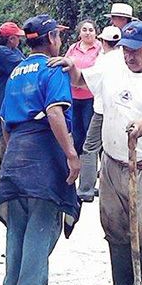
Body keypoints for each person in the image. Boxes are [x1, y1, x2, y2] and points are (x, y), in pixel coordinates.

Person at [50, 20, 142, 285]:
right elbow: (82, 81)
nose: (129, 56)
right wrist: (71, 68)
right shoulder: (110, 66)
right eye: (125, 50)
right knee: (113, 225)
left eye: (135, 51)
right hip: (112, 163)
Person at [0, 14, 80, 285]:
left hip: (16, 153)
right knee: (43, 221)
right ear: (52, 38)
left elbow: (4, 121)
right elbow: (55, 113)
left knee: (18, 222)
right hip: (44, 153)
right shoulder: (53, 70)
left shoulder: (16, 71)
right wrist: (70, 154)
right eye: (59, 36)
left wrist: (10, 153)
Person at [78, 25, 123, 202]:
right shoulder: (125, 58)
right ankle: (112, 188)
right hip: (120, 111)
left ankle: (86, 189)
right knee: (112, 148)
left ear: (103, 42)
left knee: (90, 147)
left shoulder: (104, 60)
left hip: (102, 110)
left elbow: (86, 80)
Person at [64, 20, 101, 203]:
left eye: (91, 30)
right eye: (84, 30)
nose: (87, 33)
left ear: (96, 32)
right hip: (73, 97)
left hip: (90, 97)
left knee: (89, 138)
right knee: (76, 136)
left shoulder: (100, 49)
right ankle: (74, 176)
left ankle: (88, 184)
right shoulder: (73, 49)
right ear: (79, 33)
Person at [0, 22, 25, 179]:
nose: (20, 41)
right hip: (0, 92)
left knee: (6, 126)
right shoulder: (0, 52)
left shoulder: (13, 50)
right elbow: (21, 64)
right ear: (11, 38)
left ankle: (3, 164)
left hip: (9, 93)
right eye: (17, 38)